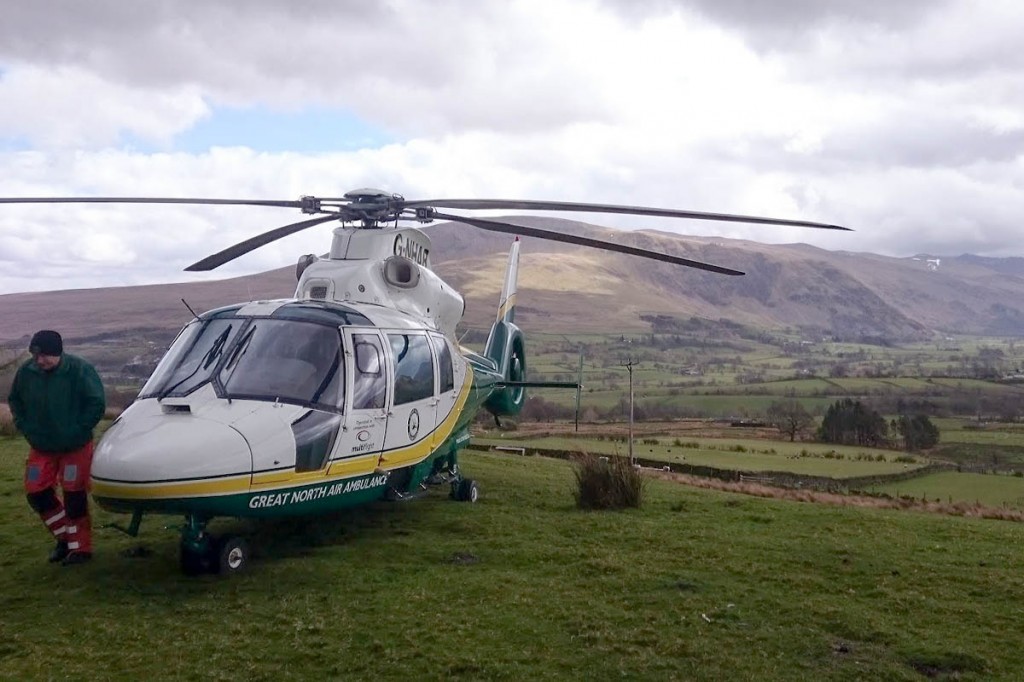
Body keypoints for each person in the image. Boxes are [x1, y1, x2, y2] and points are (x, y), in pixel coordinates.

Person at [7, 330, 105, 566]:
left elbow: (96, 403)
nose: (40, 361)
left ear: (58, 352)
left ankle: (80, 549)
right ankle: (65, 538)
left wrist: (79, 429)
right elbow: (15, 401)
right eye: (36, 356)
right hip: (41, 447)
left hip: (75, 447)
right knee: (36, 492)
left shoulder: (80, 370)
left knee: (74, 495)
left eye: (45, 356)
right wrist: (25, 426)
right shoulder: (26, 373)